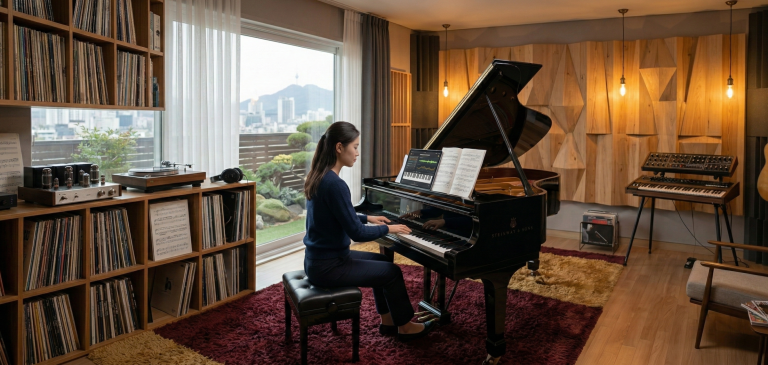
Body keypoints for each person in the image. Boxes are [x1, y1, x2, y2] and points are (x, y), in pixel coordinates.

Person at [302, 121, 437, 342]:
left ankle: (388, 322)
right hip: (329, 266)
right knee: (392, 273)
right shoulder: (335, 184)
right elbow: (358, 234)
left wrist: (367, 217)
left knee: (382, 263)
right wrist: (389, 227)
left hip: (319, 260)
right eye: (354, 147)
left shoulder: (320, 176)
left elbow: (336, 216)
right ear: (339, 147)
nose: (357, 153)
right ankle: (406, 327)